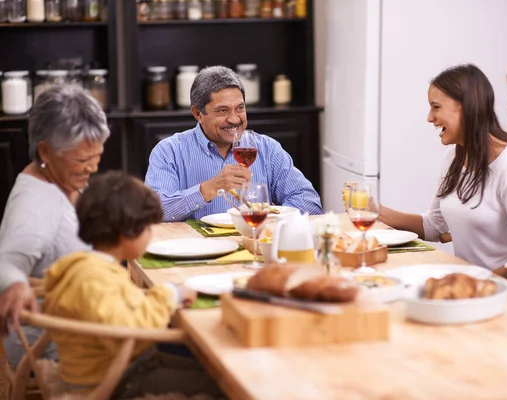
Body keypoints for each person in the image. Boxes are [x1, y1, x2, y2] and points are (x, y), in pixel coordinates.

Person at [42, 171, 224, 398]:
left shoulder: (89, 266)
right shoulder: (94, 279)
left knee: (214, 374)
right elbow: (127, 333)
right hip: (113, 381)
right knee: (220, 387)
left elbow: (117, 309)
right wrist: (168, 294)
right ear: (126, 233)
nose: (150, 235)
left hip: (124, 366)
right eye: (148, 228)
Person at [378, 64, 507, 270]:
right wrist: (375, 211)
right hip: (466, 285)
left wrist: (478, 283)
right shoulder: (454, 156)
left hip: (498, 293)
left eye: (436, 107)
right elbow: (435, 225)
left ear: (465, 107)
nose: (430, 117)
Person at [0, 85, 109, 369]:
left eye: (97, 156)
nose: (93, 168)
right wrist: (14, 284)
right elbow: (6, 262)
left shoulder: (60, 181)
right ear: (45, 151)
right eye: (83, 159)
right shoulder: (36, 203)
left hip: (80, 339)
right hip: (58, 354)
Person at [145, 65, 323, 222]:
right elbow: (154, 212)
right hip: (195, 250)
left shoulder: (268, 149)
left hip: (254, 245)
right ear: (198, 113)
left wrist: (269, 219)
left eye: (240, 108)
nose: (234, 119)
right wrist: (210, 188)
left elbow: (309, 201)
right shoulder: (169, 151)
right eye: (222, 110)